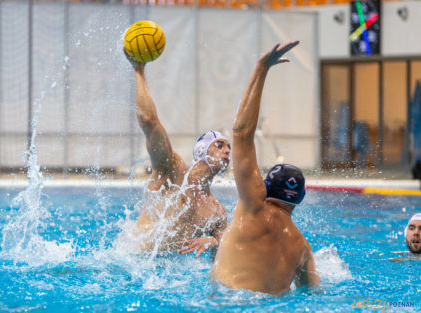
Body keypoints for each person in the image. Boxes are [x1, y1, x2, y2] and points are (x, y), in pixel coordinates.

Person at [211, 41, 320, 296]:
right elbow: (314, 294)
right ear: (301, 197)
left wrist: (261, 69)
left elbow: (241, 133)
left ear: (266, 186)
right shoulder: (303, 249)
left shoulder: (254, 207)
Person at [124, 51, 231, 256]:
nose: (227, 150)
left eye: (229, 147)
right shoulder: (173, 172)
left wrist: (212, 241)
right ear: (201, 150)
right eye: (219, 145)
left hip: (164, 278)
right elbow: (148, 120)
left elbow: (225, 258)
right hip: (132, 264)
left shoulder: (217, 213)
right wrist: (139, 69)